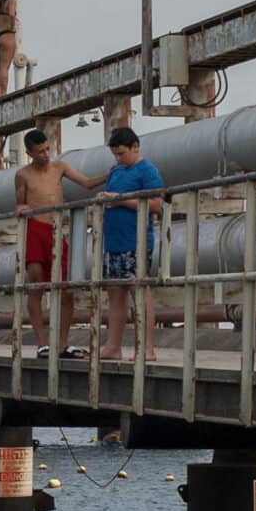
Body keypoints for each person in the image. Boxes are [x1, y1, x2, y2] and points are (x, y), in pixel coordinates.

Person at [13, 125, 101, 354]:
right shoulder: (23, 175)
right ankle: (42, 343)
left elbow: (87, 183)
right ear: (30, 153)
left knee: (66, 288)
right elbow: (20, 203)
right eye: (40, 151)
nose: (45, 154)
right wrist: (21, 208)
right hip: (35, 228)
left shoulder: (59, 167)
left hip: (55, 231)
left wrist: (113, 173)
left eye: (47, 149)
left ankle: (62, 343)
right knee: (36, 283)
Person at [95, 127, 165, 362]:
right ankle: (113, 346)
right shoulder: (116, 171)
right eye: (115, 154)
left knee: (139, 291)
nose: (118, 158)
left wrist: (121, 200)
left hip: (135, 241)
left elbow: (157, 205)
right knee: (115, 294)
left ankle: (147, 349)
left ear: (135, 147)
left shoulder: (147, 170)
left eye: (122, 153)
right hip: (113, 242)